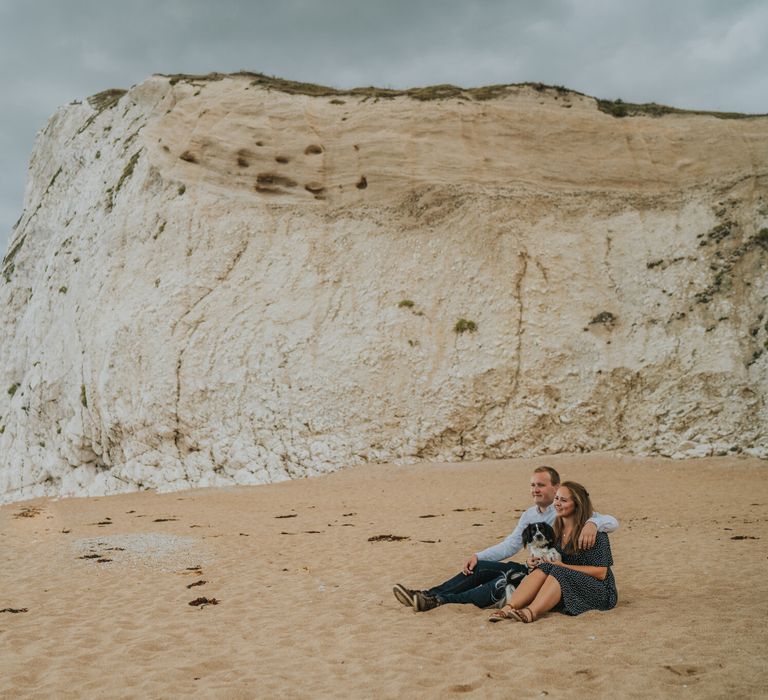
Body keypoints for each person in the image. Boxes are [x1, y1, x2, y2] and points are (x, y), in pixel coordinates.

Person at [392, 466, 618, 612]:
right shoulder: (530, 515)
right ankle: (428, 594)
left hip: (548, 571)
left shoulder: (570, 511)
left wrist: (593, 523)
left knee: (497, 584)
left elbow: (610, 521)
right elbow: (511, 544)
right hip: (532, 566)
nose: (535, 490)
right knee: (478, 567)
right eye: (532, 485)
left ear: (557, 487)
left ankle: (440, 601)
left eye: (541, 485)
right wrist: (477, 555)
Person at [488, 480, 617, 623]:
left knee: (558, 570)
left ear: (577, 504)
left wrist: (563, 567)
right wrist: (532, 562)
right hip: (568, 585)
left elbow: (601, 573)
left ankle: (531, 611)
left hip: (599, 592)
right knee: (545, 567)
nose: (557, 503)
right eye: (556, 498)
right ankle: (508, 608)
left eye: (564, 500)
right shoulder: (556, 531)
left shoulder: (593, 533)